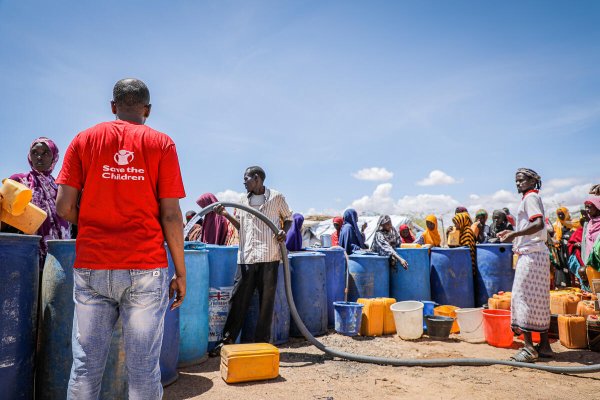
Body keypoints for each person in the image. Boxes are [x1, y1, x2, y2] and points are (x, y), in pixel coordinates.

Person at [55, 78, 186, 399]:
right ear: (148, 110)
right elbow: (171, 215)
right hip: (145, 269)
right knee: (143, 368)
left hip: (91, 267)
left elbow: (63, 207)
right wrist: (181, 272)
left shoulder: (83, 140)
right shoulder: (162, 144)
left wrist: (95, 220)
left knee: (85, 366)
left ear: (114, 107)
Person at [211, 166, 292, 354]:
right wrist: (225, 215)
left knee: (266, 302)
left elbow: (289, 219)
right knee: (238, 298)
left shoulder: (276, 197)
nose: (243, 181)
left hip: (269, 255)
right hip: (247, 256)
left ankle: (262, 343)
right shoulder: (242, 201)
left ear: (257, 178)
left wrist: (283, 232)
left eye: (246, 178)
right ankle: (227, 340)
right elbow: (242, 227)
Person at [498, 168, 552, 363]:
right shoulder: (532, 197)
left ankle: (529, 348)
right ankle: (545, 345)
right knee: (539, 300)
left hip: (530, 255)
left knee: (523, 298)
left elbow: (538, 224)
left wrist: (515, 235)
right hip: (538, 254)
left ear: (532, 181)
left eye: (521, 180)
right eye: (516, 181)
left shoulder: (530, 198)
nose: (518, 183)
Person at [3, 137, 71, 266]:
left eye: (46, 153)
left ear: (54, 156)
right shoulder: (18, 181)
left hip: (59, 253)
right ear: (30, 156)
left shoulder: (59, 186)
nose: (39, 157)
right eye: (35, 152)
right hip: (27, 250)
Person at [583, 196, 600, 286]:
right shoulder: (589, 224)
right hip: (591, 264)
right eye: (586, 207)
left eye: (589, 206)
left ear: (597, 206)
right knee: (596, 292)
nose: (587, 209)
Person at [567, 216, 588, 289]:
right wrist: (576, 244)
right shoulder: (578, 232)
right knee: (583, 276)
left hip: (591, 257)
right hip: (580, 258)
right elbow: (570, 244)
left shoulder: (593, 229)